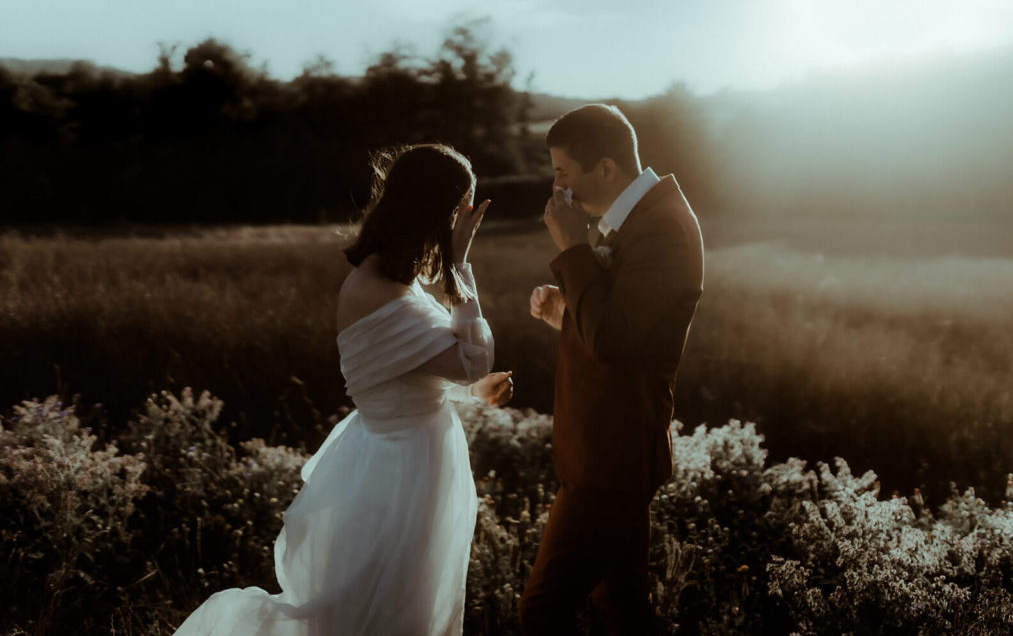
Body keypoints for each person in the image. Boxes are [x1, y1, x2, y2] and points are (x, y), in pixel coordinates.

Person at [174, 143, 514, 636]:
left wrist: (474, 394)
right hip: (404, 470)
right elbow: (472, 360)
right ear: (443, 212)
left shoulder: (390, 280)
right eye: (462, 212)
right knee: (395, 604)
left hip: (391, 456)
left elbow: (410, 376)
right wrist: (459, 265)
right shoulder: (385, 293)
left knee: (399, 600)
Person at [520, 104, 704, 634]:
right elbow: (618, 326)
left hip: (613, 453)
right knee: (623, 610)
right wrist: (566, 310)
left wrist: (574, 248)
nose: (558, 187)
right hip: (602, 449)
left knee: (542, 611)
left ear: (605, 169)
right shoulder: (634, 219)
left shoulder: (661, 227)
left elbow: (614, 340)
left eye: (562, 172)